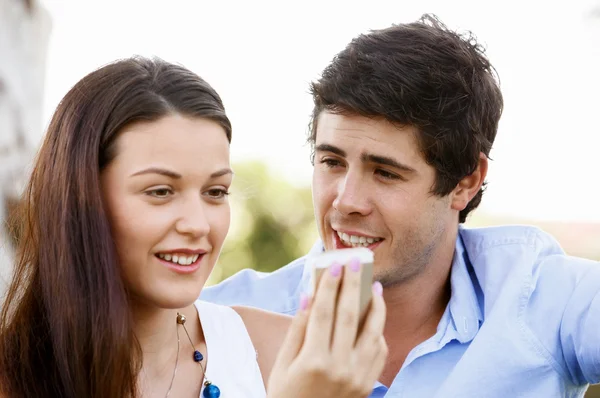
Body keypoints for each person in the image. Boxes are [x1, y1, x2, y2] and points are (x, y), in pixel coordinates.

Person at [202, 14, 600, 397]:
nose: (346, 201)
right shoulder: (219, 319)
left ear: (466, 181)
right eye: (332, 162)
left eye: (385, 173)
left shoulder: (541, 298)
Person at [0, 56, 388, 398]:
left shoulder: (286, 353)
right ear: (81, 199)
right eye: (160, 191)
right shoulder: (13, 372)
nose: (197, 224)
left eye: (215, 192)